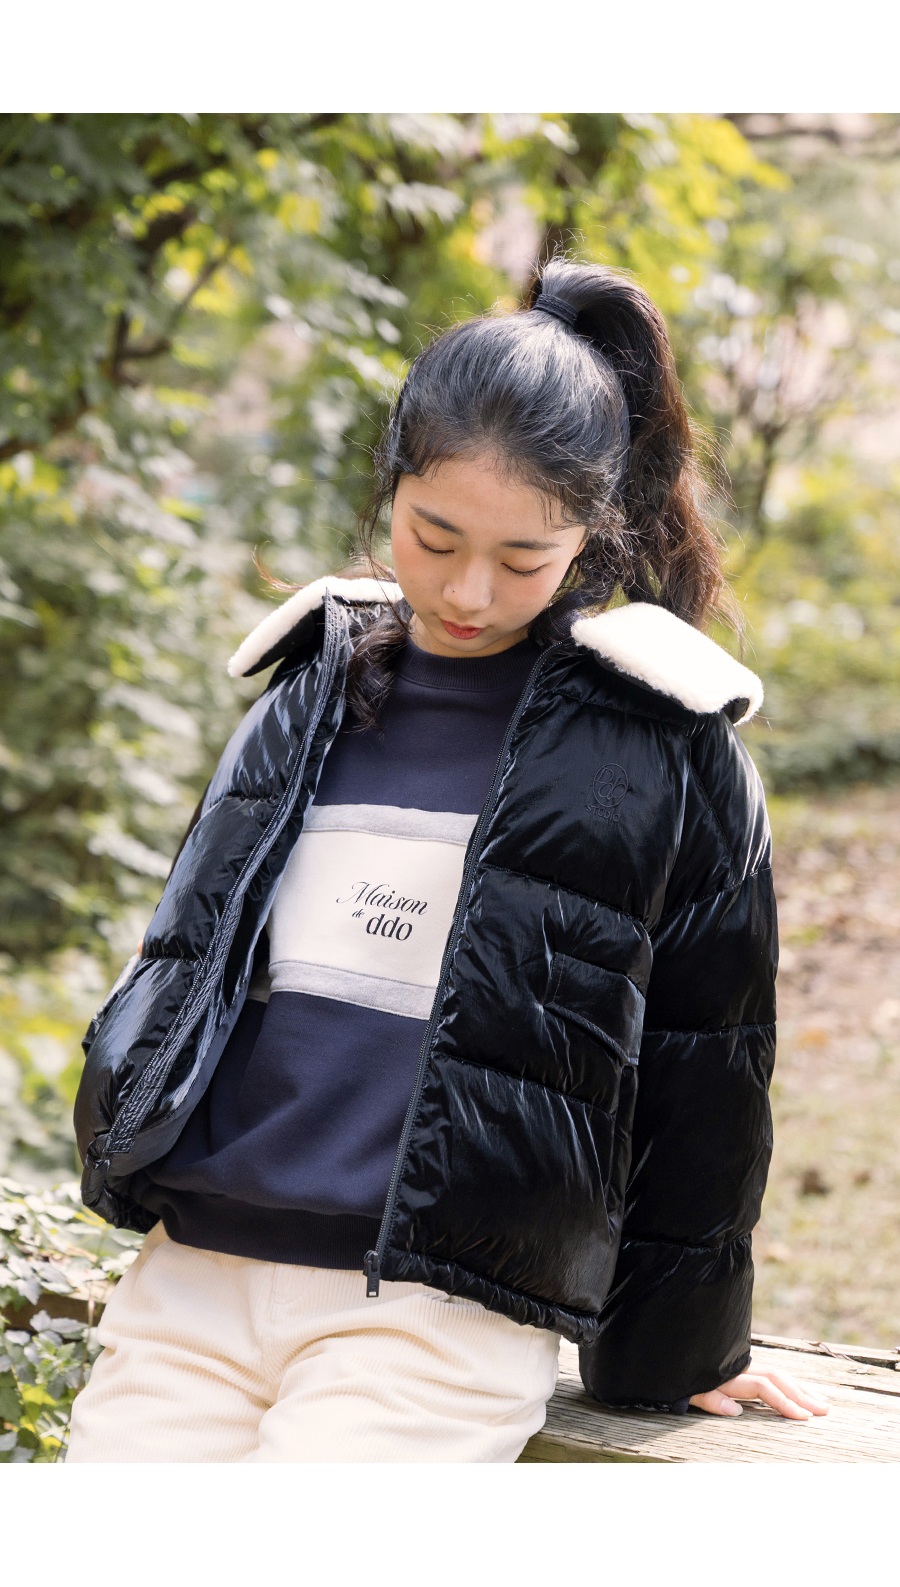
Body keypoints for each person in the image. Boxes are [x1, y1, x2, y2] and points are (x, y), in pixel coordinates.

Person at [67, 258, 828, 1463]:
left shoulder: (665, 743)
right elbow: (191, 964)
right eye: (433, 537)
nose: (471, 591)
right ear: (392, 485)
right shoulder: (305, 691)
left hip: (432, 1314)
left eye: (524, 559)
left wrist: (682, 1345)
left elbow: (707, 1064)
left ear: (592, 534)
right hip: (191, 1281)